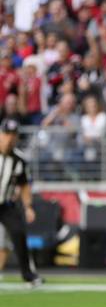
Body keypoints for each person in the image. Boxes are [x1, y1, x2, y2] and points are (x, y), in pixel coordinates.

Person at [0, 118, 42, 287]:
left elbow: (24, 185)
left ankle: (27, 274)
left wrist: (28, 207)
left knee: (18, 232)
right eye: (6, 134)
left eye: (13, 135)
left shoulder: (19, 160)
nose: (9, 138)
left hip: (5, 205)